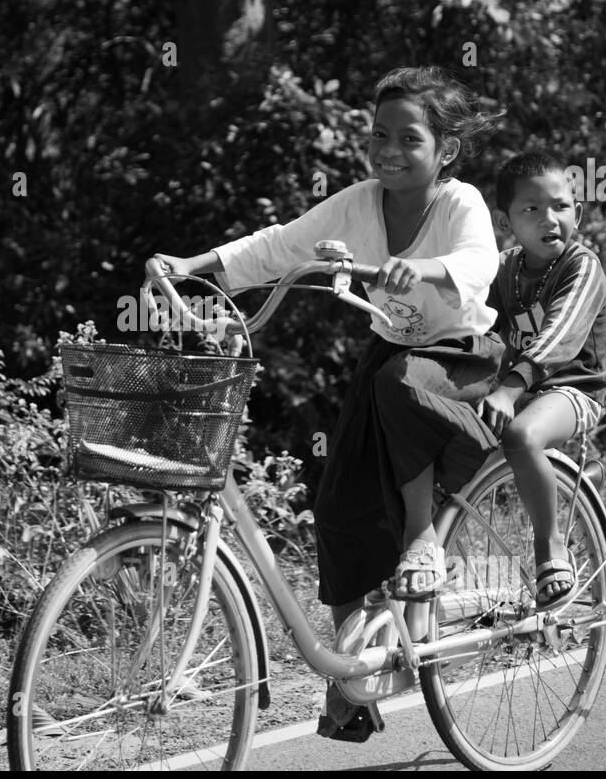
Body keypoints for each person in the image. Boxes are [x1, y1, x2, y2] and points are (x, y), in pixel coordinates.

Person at [154, 66, 504, 740]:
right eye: (379, 135)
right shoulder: (358, 202)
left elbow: (477, 265)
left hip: (460, 360)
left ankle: (422, 537)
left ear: (447, 152)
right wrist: (195, 265)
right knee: (338, 506)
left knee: (398, 382)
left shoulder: (459, 203)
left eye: (410, 139)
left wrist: (424, 269)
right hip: (391, 359)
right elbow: (281, 244)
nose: (389, 151)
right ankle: (350, 678)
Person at [478, 151, 606, 610]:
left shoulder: (582, 265)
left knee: (519, 436)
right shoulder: (504, 268)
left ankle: (550, 548)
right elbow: (471, 320)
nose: (548, 219)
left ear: (577, 213)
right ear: (506, 221)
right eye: (531, 210)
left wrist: (508, 387)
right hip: (519, 390)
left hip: (573, 390)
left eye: (559, 206)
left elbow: (560, 336)